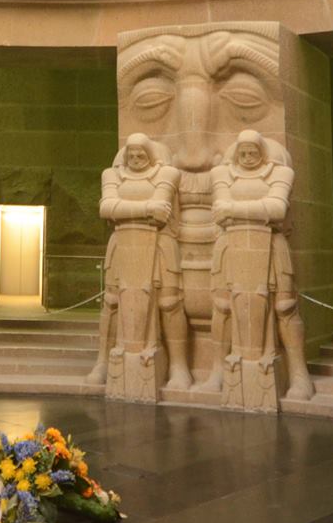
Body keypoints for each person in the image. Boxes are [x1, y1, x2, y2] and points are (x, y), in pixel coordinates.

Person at [207, 130, 314, 400]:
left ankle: (299, 374)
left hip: (272, 246)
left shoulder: (280, 173)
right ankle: (218, 370)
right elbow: (219, 208)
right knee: (222, 306)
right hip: (229, 246)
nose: (248, 157)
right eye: (242, 152)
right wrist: (256, 209)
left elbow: (277, 208)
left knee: (285, 307)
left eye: (253, 152)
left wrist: (234, 210)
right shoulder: (221, 174)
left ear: (263, 152)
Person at [89, 132, 191, 391]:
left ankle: (178, 365)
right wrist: (146, 209)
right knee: (112, 302)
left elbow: (162, 208)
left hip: (161, 244)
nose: (135, 158)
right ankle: (103, 361)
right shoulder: (111, 175)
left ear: (151, 155)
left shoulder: (167, 174)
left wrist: (127, 209)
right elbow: (107, 207)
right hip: (122, 244)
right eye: (131, 154)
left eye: (141, 155)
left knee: (169, 303)